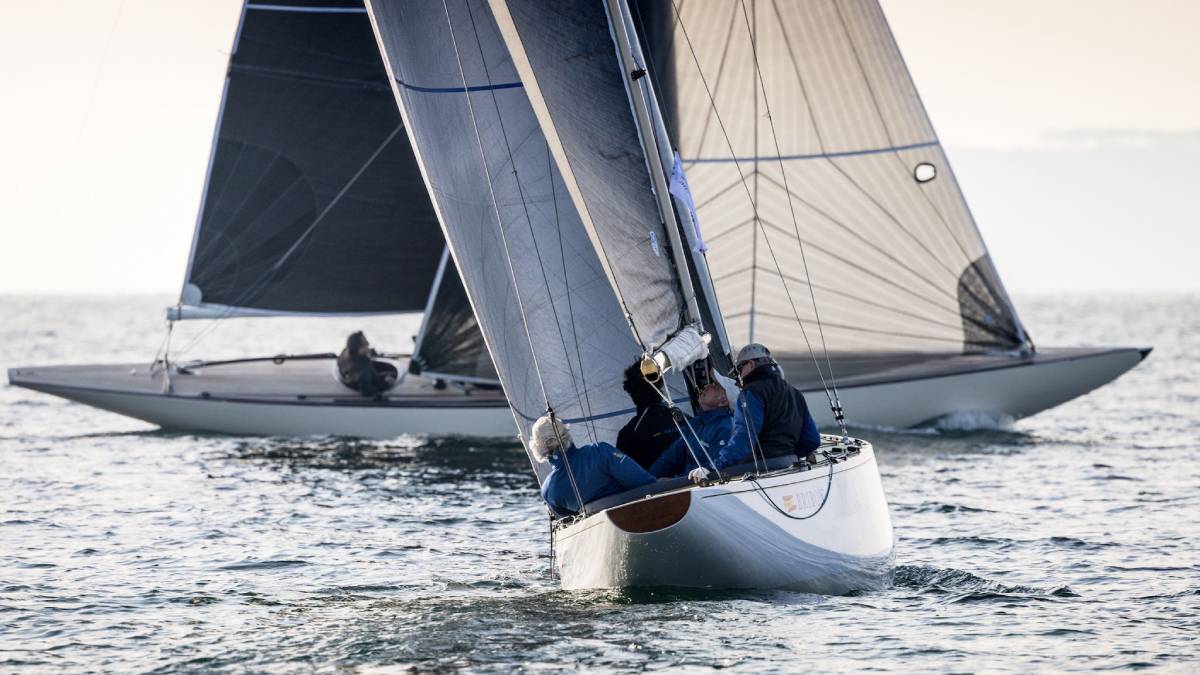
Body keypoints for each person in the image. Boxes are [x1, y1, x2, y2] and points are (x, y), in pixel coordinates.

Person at [689, 343, 822, 483]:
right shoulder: (795, 393)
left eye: (739, 369)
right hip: (790, 466)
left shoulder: (751, 393)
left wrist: (713, 467)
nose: (739, 376)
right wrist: (789, 457)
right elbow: (812, 440)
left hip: (761, 471)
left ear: (751, 364)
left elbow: (744, 438)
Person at [532, 413, 655, 516]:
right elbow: (645, 483)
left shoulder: (549, 491)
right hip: (641, 515)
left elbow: (570, 522)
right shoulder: (600, 451)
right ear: (566, 434)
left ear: (539, 448)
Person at [648, 382, 733, 478]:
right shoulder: (695, 423)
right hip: (689, 482)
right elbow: (671, 455)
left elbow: (711, 470)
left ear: (723, 401)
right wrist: (648, 479)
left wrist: (673, 481)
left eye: (715, 386)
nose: (706, 385)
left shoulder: (727, 427)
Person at [615, 360, 682, 469]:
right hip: (696, 481)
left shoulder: (627, 434)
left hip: (659, 485)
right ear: (660, 384)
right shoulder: (685, 419)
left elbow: (623, 471)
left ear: (629, 391)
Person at [337, 331, 395, 397]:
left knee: (390, 374)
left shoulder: (346, 354)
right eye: (366, 343)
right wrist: (387, 384)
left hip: (357, 379)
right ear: (359, 349)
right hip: (367, 385)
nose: (368, 344)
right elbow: (367, 392)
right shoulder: (363, 370)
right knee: (392, 375)